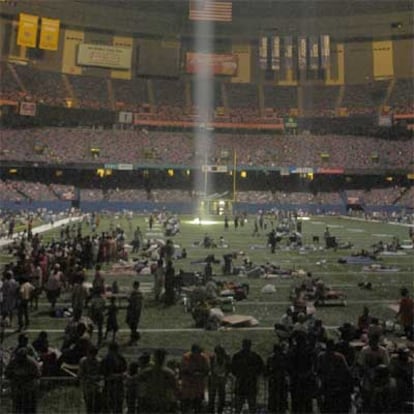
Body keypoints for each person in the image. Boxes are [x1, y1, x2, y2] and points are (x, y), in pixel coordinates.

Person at [316, 339, 353, 413]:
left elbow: (346, 372)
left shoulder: (339, 357)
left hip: (336, 385)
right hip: (327, 385)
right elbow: (318, 372)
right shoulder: (322, 357)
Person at [139, 348, 179, 413]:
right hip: (160, 402)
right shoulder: (169, 373)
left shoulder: (146, 372)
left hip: (152, 401)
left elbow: (141, 390)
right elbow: (174, 390)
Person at [231, 338, 265, 414]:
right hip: (243, 383)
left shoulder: (253, 356)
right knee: (239, 406)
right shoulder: (239, 356)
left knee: (250, 406)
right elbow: (233, 369)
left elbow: (261, 369)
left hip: (249, 383)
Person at [5, 347, 41, 413]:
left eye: (22, 357)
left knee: (29, 409)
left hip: (30, 390)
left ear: (25, 356)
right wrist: (14, 376)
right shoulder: (14, 362)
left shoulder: (32, 362)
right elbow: (7, 373)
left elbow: (38, 374)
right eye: (19, 356)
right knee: (17, 409)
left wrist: (26, 377)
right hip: (17, 390)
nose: (20, 358)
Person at [180, 343, 210, 413]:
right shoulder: (186, 357)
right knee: (186, 406)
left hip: (199, 386)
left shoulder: (204, 358)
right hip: (188, 387)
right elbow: (184, 370)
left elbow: (207, 370)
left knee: (198, 405)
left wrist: (200, 373)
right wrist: (192, 373)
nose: (198, 354)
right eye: (196, 352)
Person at [100, 341, 127, 414]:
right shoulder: (106, 360)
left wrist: (122, 375)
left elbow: (125, 369)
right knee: (108, 406)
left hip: (118, 386)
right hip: (109, 386)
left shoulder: (121, 358)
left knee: (118, 406)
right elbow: (104, 373)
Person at [266, 343, 289, 414]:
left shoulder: (284, 357)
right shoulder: (272, 358)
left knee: (282, 399)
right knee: (273, 399)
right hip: (275, 380)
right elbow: (267, 370)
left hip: (281, 380)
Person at [79, 345, 102, 414]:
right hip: (88, 388)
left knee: (97, 408)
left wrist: (97, 377)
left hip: (97, 388)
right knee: (89, 407)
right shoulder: (83, 361)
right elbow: (80, 374)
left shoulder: (99, 361)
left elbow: (101, 373)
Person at [208, 345, 231, 414]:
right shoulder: (212, 357)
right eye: (218, 353)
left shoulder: (227, 357)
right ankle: (211, 410)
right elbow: (211, 369)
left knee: (222, 396)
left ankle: (220, 410)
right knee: (212, 396)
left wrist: (225, 376)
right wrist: (214, 376)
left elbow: (228, 368)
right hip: (214, 377)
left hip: (222, 378)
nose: (219, 354)